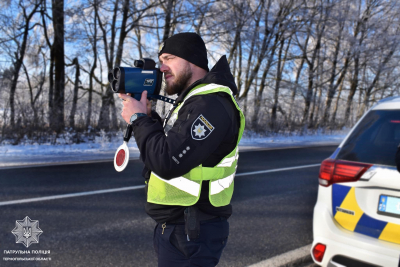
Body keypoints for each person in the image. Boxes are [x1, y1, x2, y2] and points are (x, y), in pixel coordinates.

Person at [118, 32, 245, 267]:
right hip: (181, 229)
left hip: (191, 231)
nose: (162, 68)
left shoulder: (210, 104)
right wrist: (148, 117)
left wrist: (138, 119)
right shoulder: (194, 101)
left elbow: (167, 160)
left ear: (192, 60)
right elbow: (170, 145)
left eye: (169, 58)